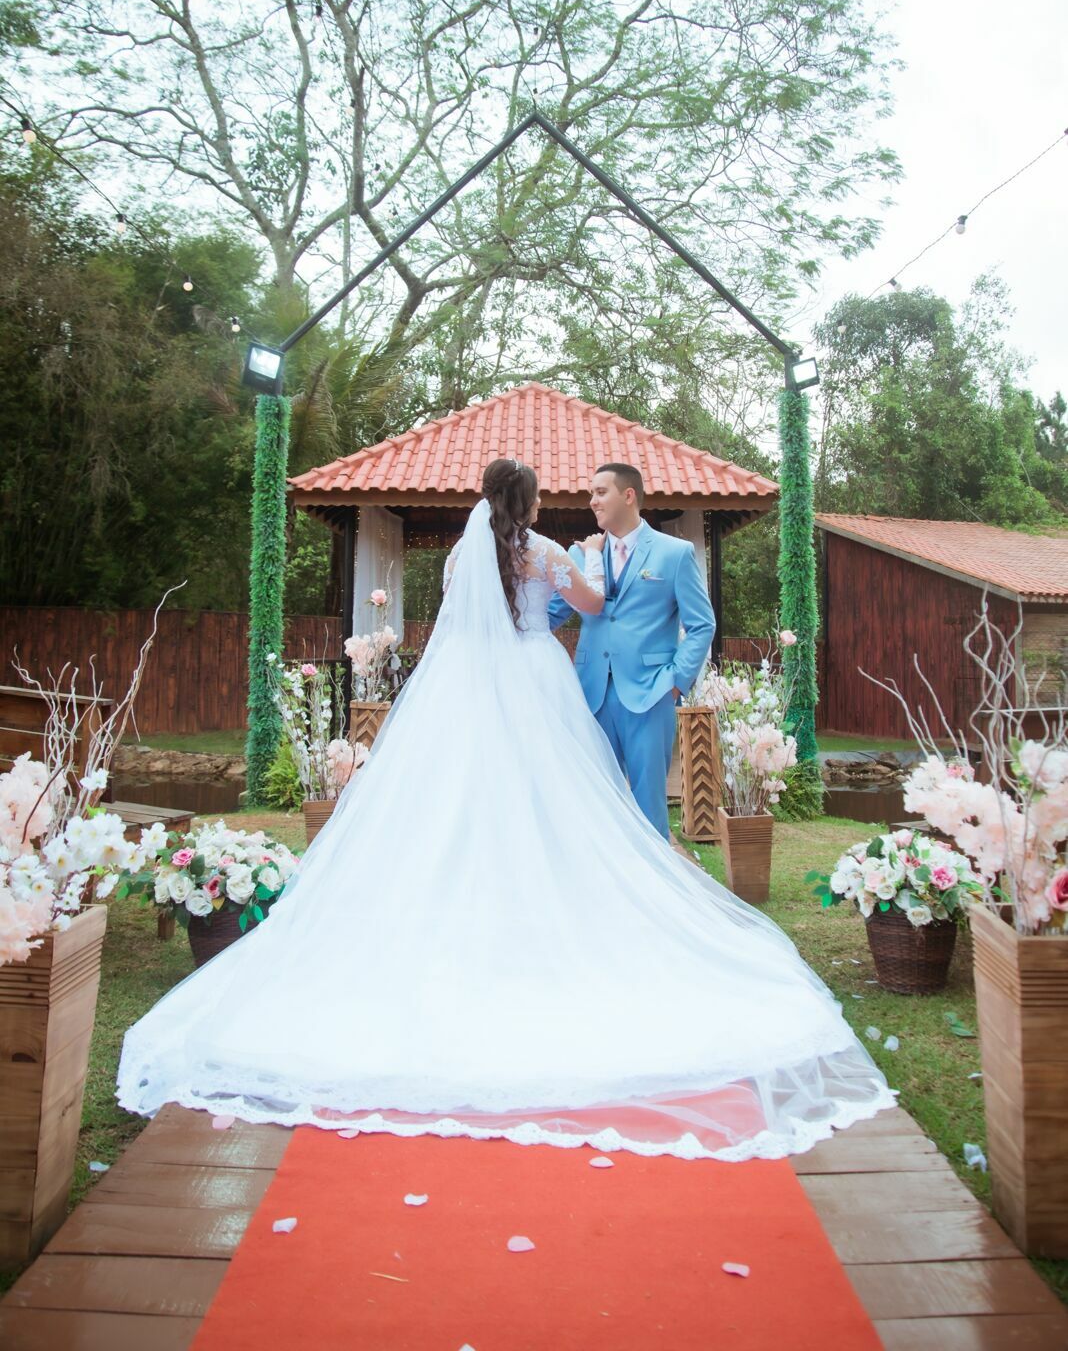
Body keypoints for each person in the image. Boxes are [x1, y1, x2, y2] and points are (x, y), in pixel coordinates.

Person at [117, 458, 893, 1161]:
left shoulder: (461, 555)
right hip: (533, 683)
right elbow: (593, 604)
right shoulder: (552, 553)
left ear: (481, 501)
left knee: (456, 800)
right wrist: (585, 571)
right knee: (559, 803)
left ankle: (455, 913)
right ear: (531, 503)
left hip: (464, 688)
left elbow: (462, 614)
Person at [549, 462, 714, 839]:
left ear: (629, 495)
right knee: (592, 801)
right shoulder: (581, 556)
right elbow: (551, 615)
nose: (592, 501)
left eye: (600, 492)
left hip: (651, 693)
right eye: (590, 493)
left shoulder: (675, 554)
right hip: (590, 694)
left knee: (648, 806)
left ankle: (656, 890)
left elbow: (702, 624)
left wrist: (675, 682)